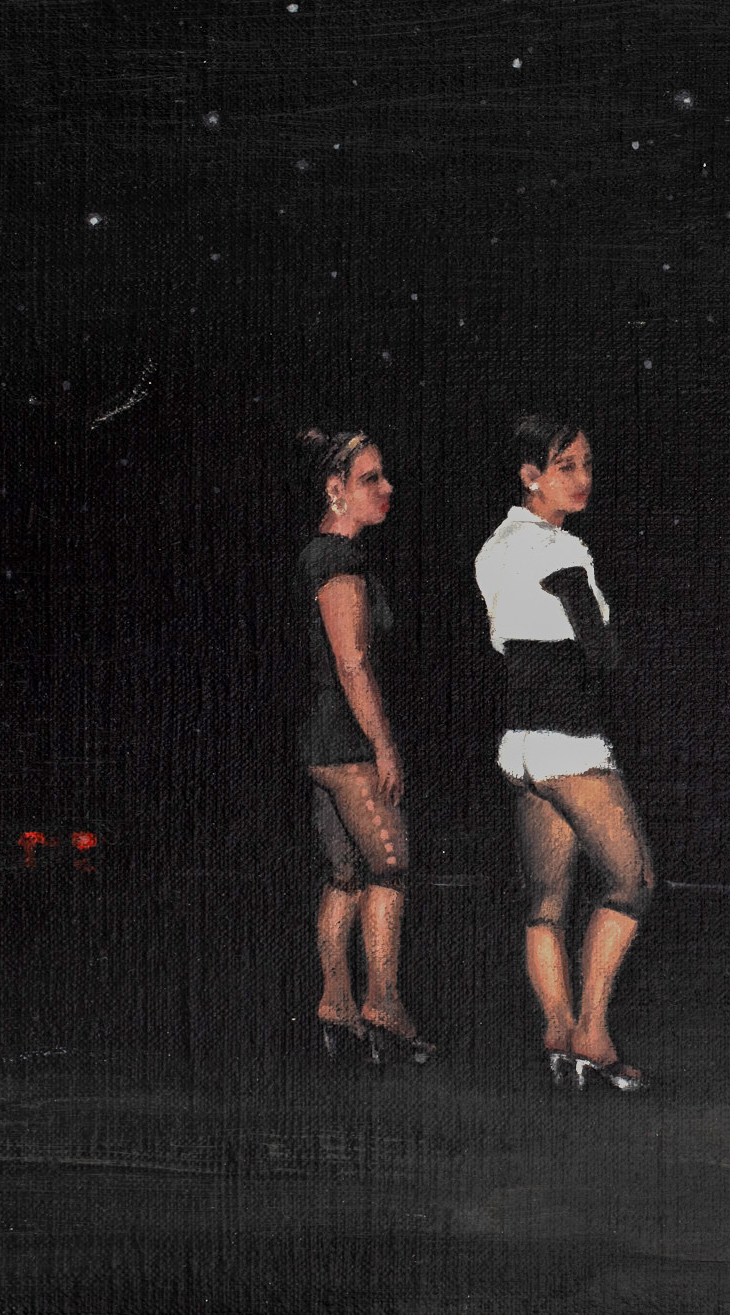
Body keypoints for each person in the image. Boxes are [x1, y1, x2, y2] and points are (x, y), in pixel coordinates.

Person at [475, 415, 655, 1093]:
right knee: (634, 882)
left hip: (519, 745)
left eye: (586, 464)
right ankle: (593, 1035)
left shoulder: (495, 546)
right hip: (567, 741)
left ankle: (558, 1033)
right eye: (566, 466)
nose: (583, 478)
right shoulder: (558, 548)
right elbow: (603, 652)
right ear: (531, 475)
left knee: (547, 900)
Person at [295, 427, 434, 1066]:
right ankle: (382, 1006)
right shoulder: (337, 560)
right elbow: (352, 664)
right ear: (335, 490)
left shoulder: (323, 556)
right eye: (370, 479)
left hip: (320, 737)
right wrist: (385, 746)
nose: (387, 489)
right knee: (391, 866)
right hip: (346, 739)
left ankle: (336, 1007)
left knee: (345, 873)